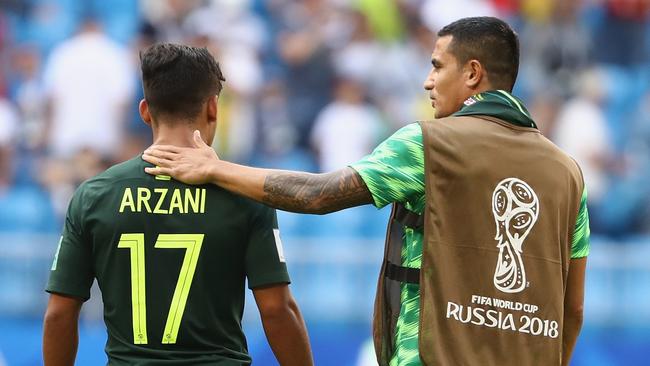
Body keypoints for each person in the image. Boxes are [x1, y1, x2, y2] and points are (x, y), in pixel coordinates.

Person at [143, 17, 589, 366]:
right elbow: (573, 310)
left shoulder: (429, 143)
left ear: (473, 74)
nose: (427, 81)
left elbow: (318, 195)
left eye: (437, 66)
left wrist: (216, 169)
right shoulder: (568, 173)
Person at [43, 43, 313, 366]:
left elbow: (59, 314)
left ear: (145, 111)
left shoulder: (93, 195)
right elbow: (276, 310)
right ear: (213, 108)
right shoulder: (245, 195)